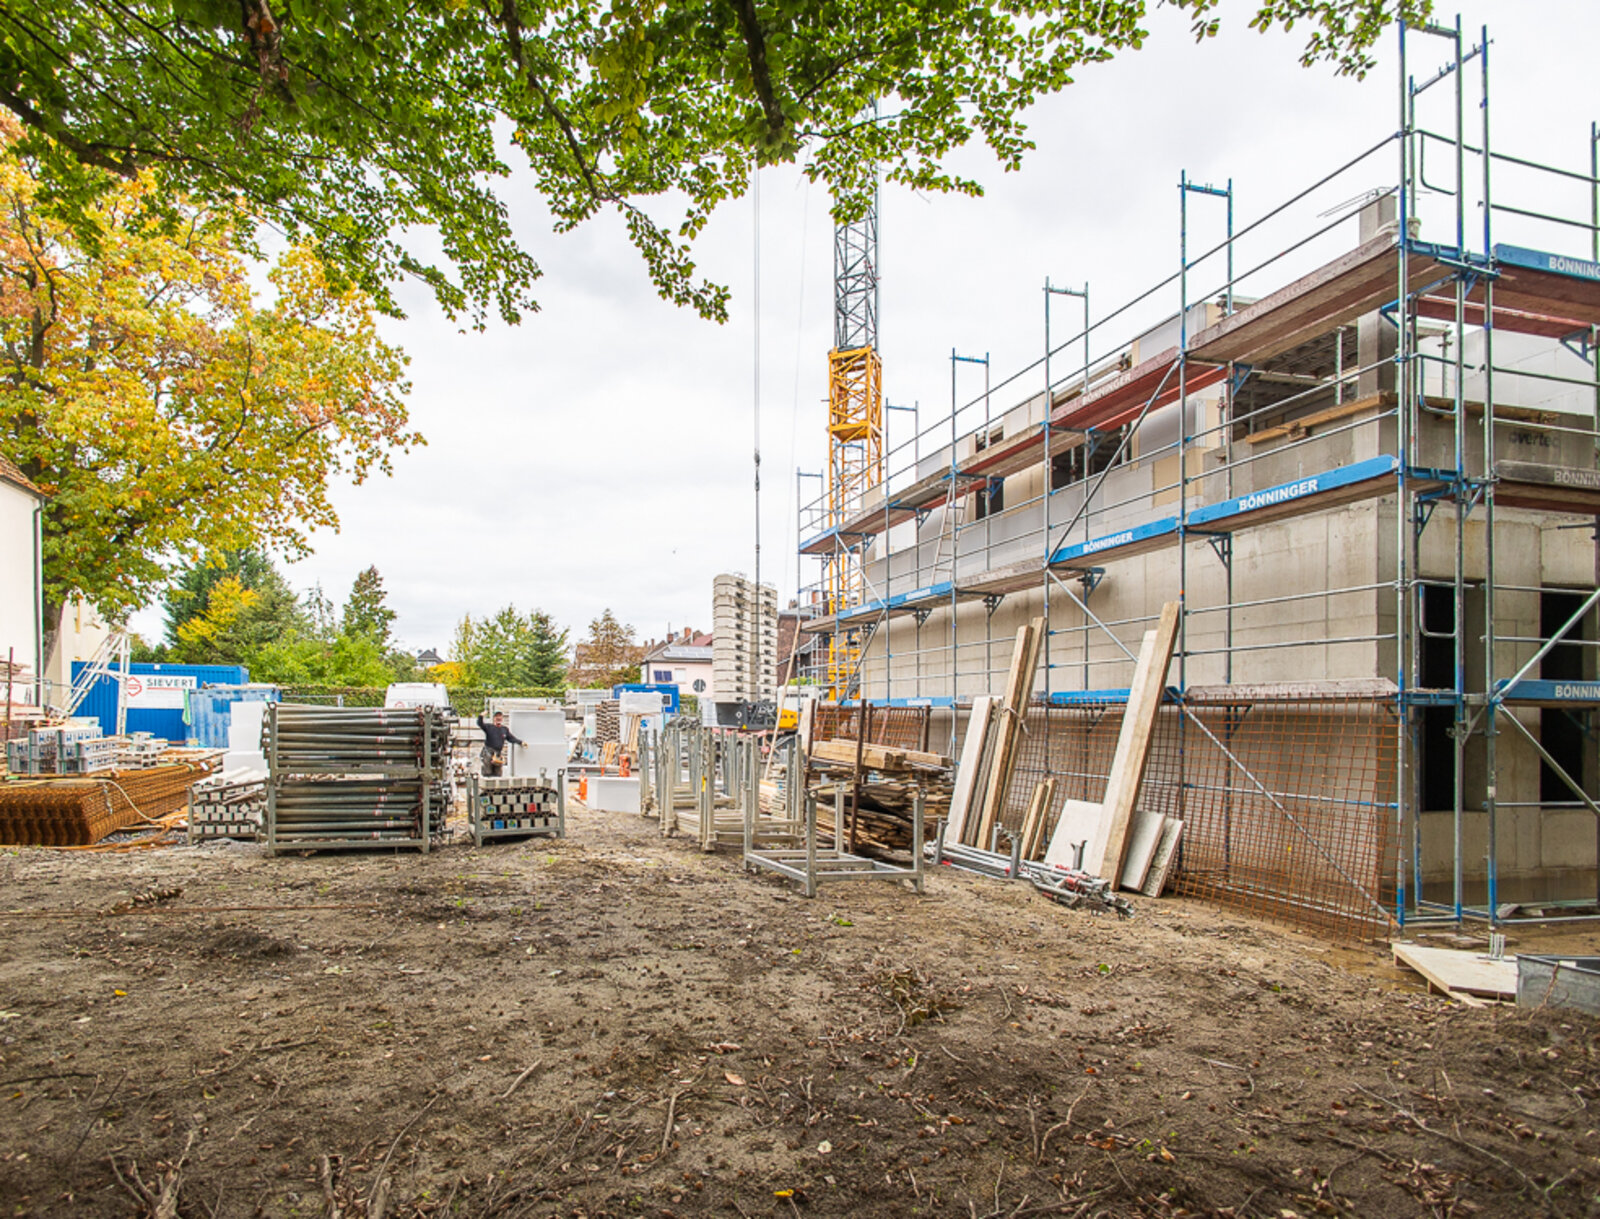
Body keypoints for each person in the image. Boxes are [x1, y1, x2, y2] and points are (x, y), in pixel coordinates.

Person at [477, 711, 525, 777]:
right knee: (487, 772)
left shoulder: (504, 729)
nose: (498, 718)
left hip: (498, 754)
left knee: (498, 773)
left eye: (500, 716)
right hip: (488, 753)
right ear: (494, 718)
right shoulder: (489, 727)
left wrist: (521, 742)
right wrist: (481, 716)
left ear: (502, 718)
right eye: (497, 716)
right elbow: (480, 724)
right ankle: (488, 786)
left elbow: (511, 738)